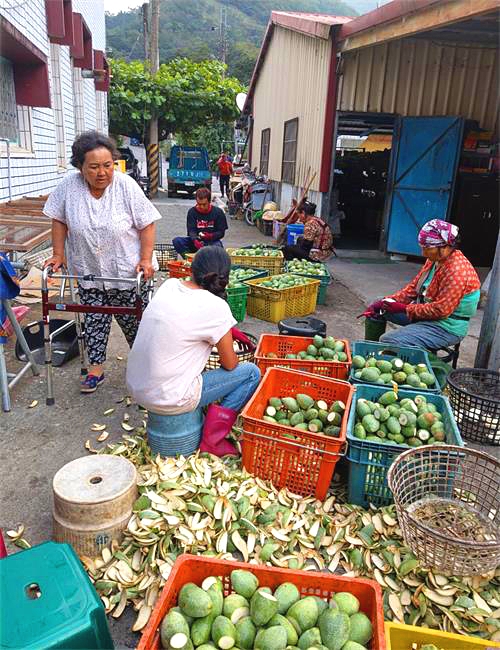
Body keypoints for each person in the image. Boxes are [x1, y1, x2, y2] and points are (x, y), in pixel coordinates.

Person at [43, 131, 161, 393]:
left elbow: (147, 223)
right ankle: (95, 369)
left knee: (136, 324)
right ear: (80, 167)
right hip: (89, 270)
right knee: (94, 320)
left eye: (107, 165)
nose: (102, 172)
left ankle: (147, 371)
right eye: (94, 166)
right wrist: (58, 255)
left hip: (126, 271)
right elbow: (59, 219)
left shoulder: (126, 185)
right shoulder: (68, 187)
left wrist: (145, 258)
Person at [126, 247, 261, 457]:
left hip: (137, 387)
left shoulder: (169, 285)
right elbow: (230, 365)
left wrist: (226, 330)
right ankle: (213, 440)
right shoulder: (216, 306)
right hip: (171, 398)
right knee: (251, 373)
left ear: (192, 269)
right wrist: (224, 332)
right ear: (225, 277)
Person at [364, 219, 481, 351]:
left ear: (445, 246)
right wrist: (388, 301)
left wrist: (403, 308)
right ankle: (370, 353)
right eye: (422, 248)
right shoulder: (434, 260)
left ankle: (422, 364)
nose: (423, 253)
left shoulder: (457, 271)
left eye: (427, 249)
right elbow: (413, 289)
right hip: (426, 315)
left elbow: (440, 311)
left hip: (446, 326)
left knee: (391, 340)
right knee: (377, 308)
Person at [173, 187, 228, 257]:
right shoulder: (192, 212)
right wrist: (195, 240)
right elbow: (191, 230)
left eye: (204, 204)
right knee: (177, 241)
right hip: (196, 241)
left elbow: (221, 233)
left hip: (212, 242)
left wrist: (210, 236)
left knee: (218, 247)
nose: (201, 207)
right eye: (199, 204)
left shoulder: (218, 212)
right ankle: (189, 259)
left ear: (209, 202)